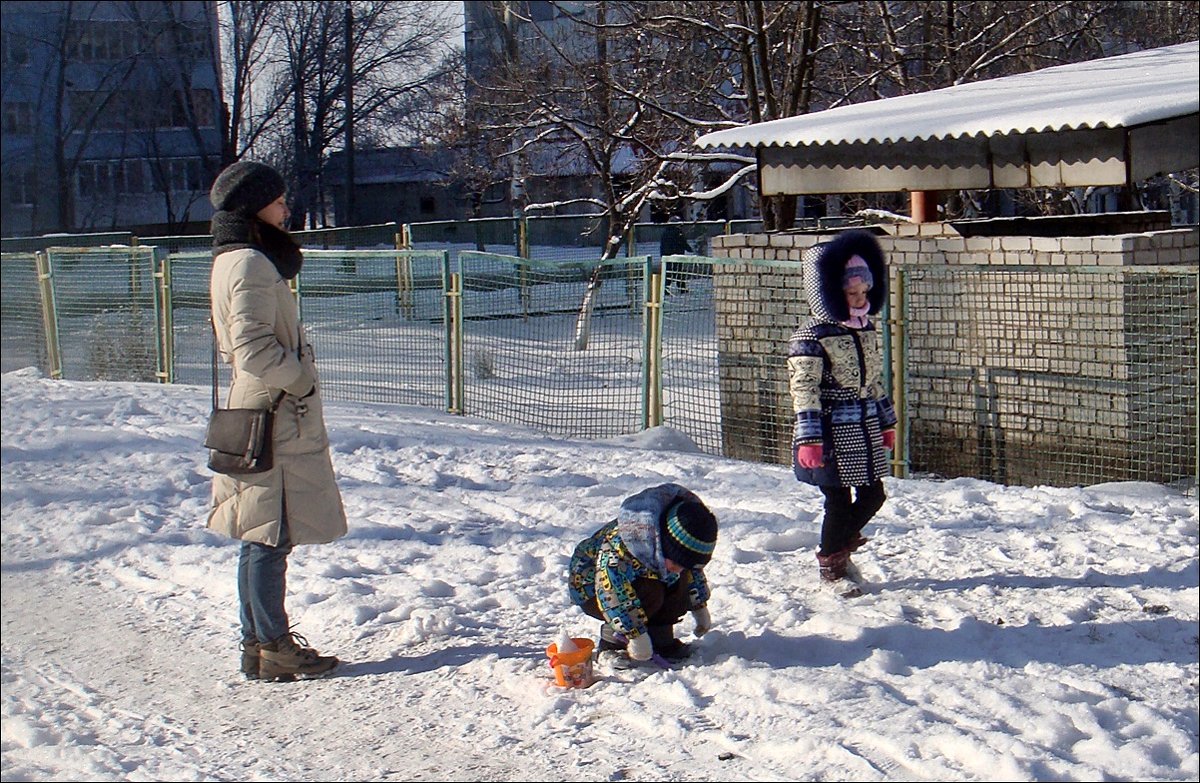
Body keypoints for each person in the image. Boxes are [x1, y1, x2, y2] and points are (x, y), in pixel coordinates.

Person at [207, 160, 348, 682]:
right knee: (271, 538)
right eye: (278, 199)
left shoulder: (232, 258)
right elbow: (251, 347)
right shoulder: (249, 263)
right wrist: (300, 380)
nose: (286, 207)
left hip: (261, 409)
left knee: (260, 535)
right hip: (274, 415)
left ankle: (258, 644)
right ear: (253, 206)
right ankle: (273, 644)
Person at [786, 229, 896, 595]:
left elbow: (875, 380)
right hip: (831, 432)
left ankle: (835, 549)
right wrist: (810, 439)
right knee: (837, 498)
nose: (860, 299)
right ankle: (833, 569)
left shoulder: (866, 329)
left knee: (873, 494)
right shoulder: (812, 335)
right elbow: (804, 389)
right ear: (829, 293)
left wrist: (886, 421)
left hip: (863, 427)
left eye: (864, 292)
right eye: (851, 293)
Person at [568, 483, 718, 667]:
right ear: (665, 546)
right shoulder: (621, 546)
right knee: (650, 591)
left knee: (678, 583)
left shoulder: (671, 547)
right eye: (678, 563)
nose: (680, 569)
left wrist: (699, 604)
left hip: (638, 578)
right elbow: (612, 592)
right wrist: (635, 634)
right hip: (592, 586)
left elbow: (691, 571)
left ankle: (661, 640)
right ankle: (611, 645)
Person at [658, 216, 692, 294]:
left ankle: (666, 288)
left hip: (667, 255)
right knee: (678, 272)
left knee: (669, 272)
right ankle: (681, 288)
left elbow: (663, 245)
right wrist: (689, 249)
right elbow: (682, 242)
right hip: (677, 255)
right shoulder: (677, 232)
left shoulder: (665, 232)